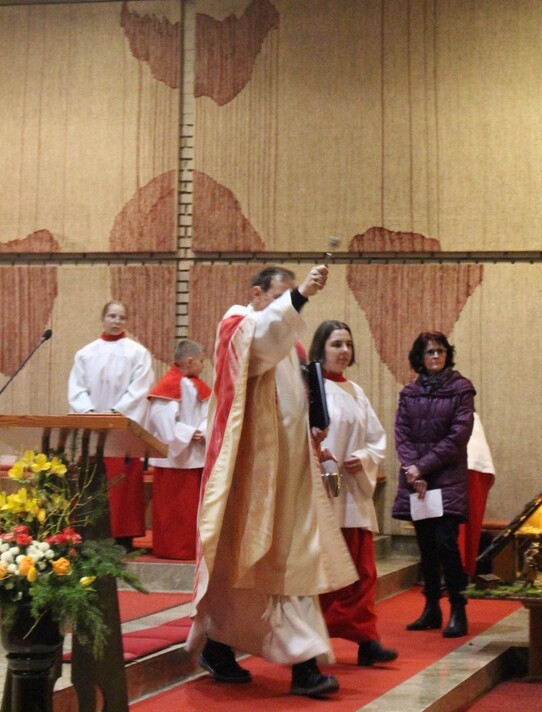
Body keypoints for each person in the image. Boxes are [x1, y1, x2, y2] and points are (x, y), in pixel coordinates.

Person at [187, 265, 357, 700]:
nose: (288, 304)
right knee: (272, 568)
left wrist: (313, 423)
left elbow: (291, 399)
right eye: (280, 296)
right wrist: (300, 295)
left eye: (289, 297)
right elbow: (262, 342)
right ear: (257, 294)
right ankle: (304, 667)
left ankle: (219, 647)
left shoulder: (289, 343)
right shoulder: (237, 324)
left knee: (270, 569)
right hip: (251, 479)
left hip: (288, 476)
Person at [309, 320, 398, 668]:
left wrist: (361, 458)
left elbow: (376, 439)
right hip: (321, 490)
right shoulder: (310, 389)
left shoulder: (356, 392)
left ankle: (367, 639)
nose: (344, 351)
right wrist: (317, 452)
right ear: (321, 348)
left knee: (362, 571)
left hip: (352, 492)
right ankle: (313, 641)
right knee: (326, 570)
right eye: (336, 344)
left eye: (348, 344)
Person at [392, 331, 475, 638]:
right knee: (426, 545)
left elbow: (458, 436)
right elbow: (402, 434)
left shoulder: (461, 389)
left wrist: (422, 467)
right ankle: (431, 609)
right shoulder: (409, 393)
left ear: (447, 354)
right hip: (418, 482)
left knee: (445, 544)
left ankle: (458, 608)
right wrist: (414, 471)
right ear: (420, 358)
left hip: (447, 479)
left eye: (440, 351)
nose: (436, 356)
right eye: (430, 352)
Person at [68, 300, 154, 545]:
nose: (116, 321)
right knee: (93, 487)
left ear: (127, 321)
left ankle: (122, 540)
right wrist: (90, 414)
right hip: (93, 430)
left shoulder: (138, 353)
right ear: (103, 318)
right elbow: (77, 389)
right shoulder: (85, 354)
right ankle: (91, 538)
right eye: (112, 316)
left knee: (122, 490)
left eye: (121, 317)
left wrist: (116, 414)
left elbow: (139, 390)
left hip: (121, 432)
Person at [147, 339, 211, 560]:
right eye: (201, 361)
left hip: (194, 453)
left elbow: (209, 414)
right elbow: (162, 422)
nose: (203, 366)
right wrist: (188, 433)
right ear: (190, 361)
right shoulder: (170, 384)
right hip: (173, 457)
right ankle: (171, 549)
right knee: (173, 508)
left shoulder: (198, 386)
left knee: (190, 508)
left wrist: (203, 430)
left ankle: (190, 548)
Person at [458, 411, 496, 577]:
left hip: (464, 462)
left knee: (456, 522)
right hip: (473, 462)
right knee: (464, 522)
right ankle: (463, 571)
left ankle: (456, 571)